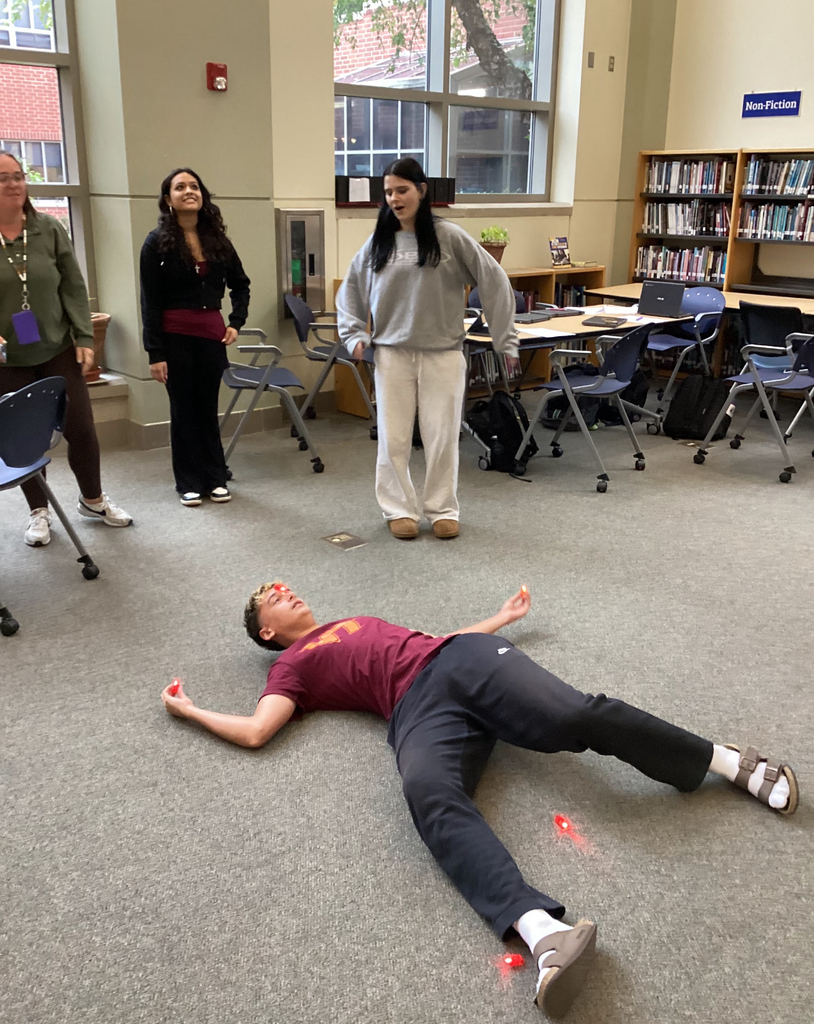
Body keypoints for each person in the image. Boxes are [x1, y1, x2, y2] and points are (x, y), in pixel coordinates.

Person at [161, 581, 798, 1019]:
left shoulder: (351, 620)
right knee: (426, 791)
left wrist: (500, 619)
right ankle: (543, 933)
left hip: (461, 657)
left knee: (573, 716)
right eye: (269, 598)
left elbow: (437, 640)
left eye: (281, 584)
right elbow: (256, 730)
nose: (283, 591)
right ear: (269, 631)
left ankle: (727, 761)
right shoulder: (289, 666)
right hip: (415, 708)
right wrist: (188, 710)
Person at [336, 157, 518, 541]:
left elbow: (494, 279)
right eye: (388, 192)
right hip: (391, 355)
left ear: (421, 190)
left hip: (443, 354)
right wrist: (353, 335)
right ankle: (398, 508)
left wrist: (505, 337)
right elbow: (350, 289)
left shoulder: (448, 236)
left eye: (402, 190)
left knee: (442, 435)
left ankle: (441, 508)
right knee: (394, 437)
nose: (394, 199)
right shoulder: (378, 242)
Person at [0, 150, 133, 545]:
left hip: (58, 347)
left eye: (18, 176)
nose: (13, 184)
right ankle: (38, 512)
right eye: (2, 178)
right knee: (24, 438)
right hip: (9, 359)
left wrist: (84, 337)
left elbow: (73, 287)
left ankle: (92, 499)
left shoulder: (49, 229)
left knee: (82, 428)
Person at [140, 168, 250, 507]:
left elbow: (240, 284)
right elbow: (150, 301)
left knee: (207, 408)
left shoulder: (218, 241)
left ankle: (215, 477)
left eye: (194, 186)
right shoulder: (155, 243)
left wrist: (236, 321)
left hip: (210, 337)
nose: (189, 191)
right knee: (183, 410)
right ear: (167, 199)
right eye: (180, 187)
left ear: (203, 196)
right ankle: (187, 481)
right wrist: (154, 353)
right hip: (174, 339)